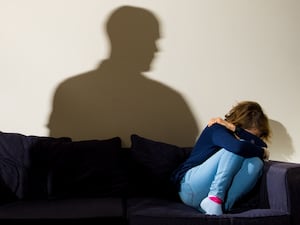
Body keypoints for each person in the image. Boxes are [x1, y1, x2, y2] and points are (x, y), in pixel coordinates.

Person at [170, 101, 271, 215]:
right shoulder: (216, 128)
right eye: (252, 135)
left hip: (209, 199)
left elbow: (262, 146)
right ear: (240, 124)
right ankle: (215, 198)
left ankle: (222, 207)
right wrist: (260, 150)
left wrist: (237, 130)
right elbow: (238, 147)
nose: (252, 141)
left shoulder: (236, 132)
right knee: (236, 148)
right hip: (189, 187)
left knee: (256, 162)